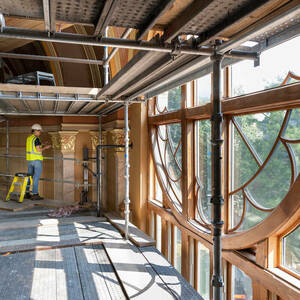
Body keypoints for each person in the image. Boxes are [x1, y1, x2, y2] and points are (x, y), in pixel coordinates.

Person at [25, 124, 51, 200]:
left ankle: (27, 193)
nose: (40, 132)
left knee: (29, 176)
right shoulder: (36, 139)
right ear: (35, 131)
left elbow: (34, 146)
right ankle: (35, 194)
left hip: (29, 160)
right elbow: (38, 150)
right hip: (36, 161)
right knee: (36, 177)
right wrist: (45, 147)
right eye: (39, 131)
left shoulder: (29, 138)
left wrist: (42, 144)